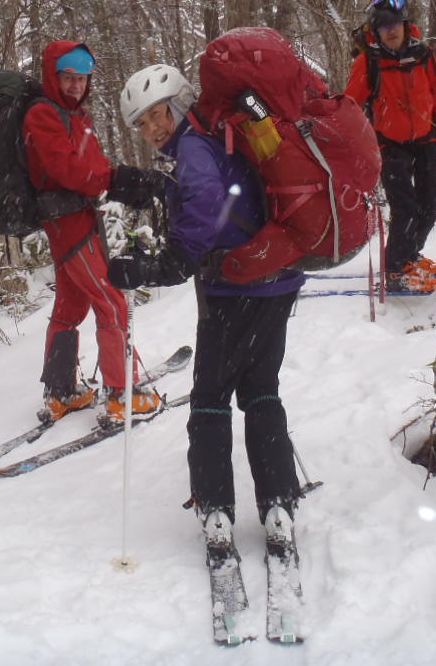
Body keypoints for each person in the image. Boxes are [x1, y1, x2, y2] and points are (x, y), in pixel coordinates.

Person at [107, 64, 305, 557]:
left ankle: (216, 509)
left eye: (157, 114)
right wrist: (161, 188)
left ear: (179, 102)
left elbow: (208, 198)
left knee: (211, 399)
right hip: (275, 277)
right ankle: (278, 503)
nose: (153, 128)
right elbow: (221, 192)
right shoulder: (214, 136)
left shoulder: (195, 145)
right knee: (261, 391)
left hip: (233, 289)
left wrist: (168, 261)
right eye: (142, 123)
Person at [23, 40, 165, 424]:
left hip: (76, 218)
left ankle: (62, 391)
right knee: (113, 302)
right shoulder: (43, 114)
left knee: (72, 307)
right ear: (54, 77)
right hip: (68, 222)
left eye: (81, 78)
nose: (75, 85)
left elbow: (91, 167)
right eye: (68, 78)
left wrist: (119, 182)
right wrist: (117, 179)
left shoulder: (75, 116)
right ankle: (123, 394)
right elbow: (67, 170)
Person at [345, 0, 436, 294]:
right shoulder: (369, 62)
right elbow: (351, 103)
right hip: (389, 143)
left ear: (404, 24)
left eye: (395, 25)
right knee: (406, 208)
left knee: (430, 205)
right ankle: (395, 268)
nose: (391, 32)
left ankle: (409, 256)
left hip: (426, 138)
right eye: (384, 27)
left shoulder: (424, 55)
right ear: (376, 30)